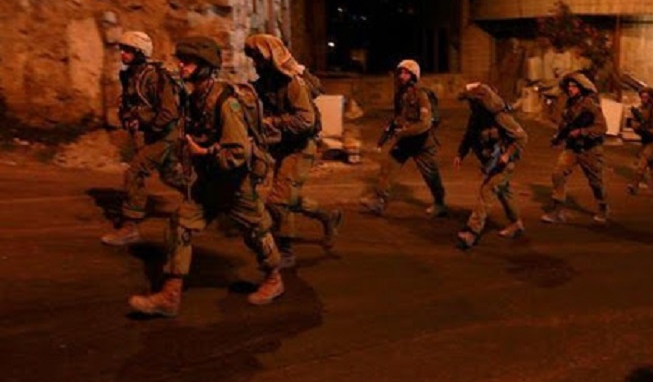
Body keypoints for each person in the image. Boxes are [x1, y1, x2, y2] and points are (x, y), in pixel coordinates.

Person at [128, 36, 283, 317]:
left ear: (206, 65)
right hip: (208, 182)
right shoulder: (194, 98)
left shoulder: (225, 102)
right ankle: (170, 294)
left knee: (256, 231)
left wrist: (205, 152)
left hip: (235, 184)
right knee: (179, 225)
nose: (181, 65)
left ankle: (274, 278)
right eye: (181, 59)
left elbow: (238, 153)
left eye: (189, 61)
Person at [244, 33, 343, 268]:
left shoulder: (292, 83)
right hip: (284, 145)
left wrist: (273, 122)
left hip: (302, 146)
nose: (255, 63)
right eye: (253, 58)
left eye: (258, 58)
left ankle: (285, 250)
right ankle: (328, 217)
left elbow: (306, 120)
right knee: (288, 196)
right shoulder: (268, 81)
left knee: (279, 200)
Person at [101, 31, 187, 246]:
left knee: (135, 172)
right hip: (154, 132)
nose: (123, 54)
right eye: (122, 50)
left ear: (139, 53)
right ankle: (206, 201)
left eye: (128, 50)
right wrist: (129, 117)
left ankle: (130, 226)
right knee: (170, 175)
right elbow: (131, 104)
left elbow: (169, 112)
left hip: (164, 134)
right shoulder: (131, 75)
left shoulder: (155, 77)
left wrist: (149, 125)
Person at [359, 59, 447, 217]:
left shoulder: (420, 94)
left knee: (430, 174)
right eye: (400, 72)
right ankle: (379, 201)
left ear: (413, 75)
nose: (401, 76)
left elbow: (425, 123)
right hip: (406, 141)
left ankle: (440, 203)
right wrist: (385, 136)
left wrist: (403, 132)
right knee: (388, 168)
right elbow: (398, 117)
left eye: (406, 73)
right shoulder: (401, 94)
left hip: (422, 142)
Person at [454, 83, 528, 249]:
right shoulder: (476, 117)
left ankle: (472, 232)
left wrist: (507, 155)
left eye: (473, 102)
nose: (470, 105)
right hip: (490, 162)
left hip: (504, 164)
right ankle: (516, 223)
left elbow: (522, 137)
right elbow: (469, 136)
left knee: (487, 190)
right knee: (504, 191)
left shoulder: (500, 117)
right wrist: (460, 154)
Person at [541, 71, 609, 224]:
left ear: (581, 88)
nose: (570, 89)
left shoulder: (590, 104)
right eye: (569, 86)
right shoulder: (569, 104)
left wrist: (582, 132)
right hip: (572, 148)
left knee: (596, 182)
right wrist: (558, 136)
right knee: (558, 174)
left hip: (590, 149)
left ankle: (603, 207)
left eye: (574, 86)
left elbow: (602, 128)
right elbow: (565, 124)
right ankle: (558, 210)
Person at [627, 86, 653, 195]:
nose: (643, 99)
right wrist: (638, 127)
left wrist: (650, 131)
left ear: (651, 98)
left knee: (643, 160)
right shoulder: (640, 110)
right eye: (642, 97)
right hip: (646, 139)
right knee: (652, 162)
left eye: (646, 97)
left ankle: (635, 185)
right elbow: (634, 123)